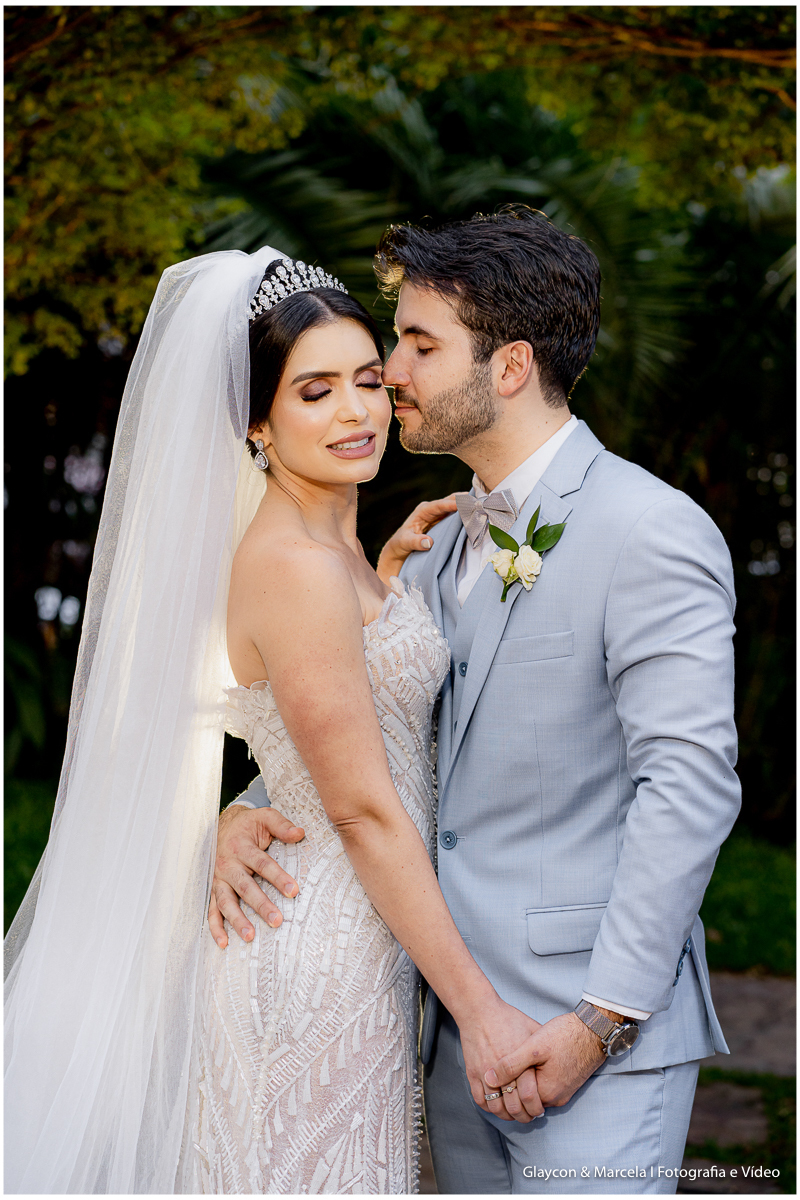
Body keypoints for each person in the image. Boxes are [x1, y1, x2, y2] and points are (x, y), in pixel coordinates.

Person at [216, 207, 741, 1194]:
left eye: (416, 345)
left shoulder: (649, 531)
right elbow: (370, 746)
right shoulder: (434, 550)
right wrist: (234, 821)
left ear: (507, 367)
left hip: (588, 1038)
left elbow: (689, 786)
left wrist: (601, 1020)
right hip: (439, 1031)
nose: (392, 375)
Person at [4, 246, 540, 1195]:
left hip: (364, 939)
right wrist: (482, 1011)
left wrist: (382, 580)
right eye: (315, 391)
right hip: (317, 958)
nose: (357, 411)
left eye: (369, 381)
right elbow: (363, 809)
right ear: (256, 422)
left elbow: (320, 712)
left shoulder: (327, 557)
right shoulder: (291, 569)